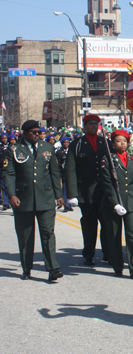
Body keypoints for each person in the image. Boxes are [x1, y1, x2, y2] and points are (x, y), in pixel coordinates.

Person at [2, 120, 64, 281]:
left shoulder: (47, 148)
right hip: (23, 199)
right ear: (24, 133)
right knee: (25, 236)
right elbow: (9, 174)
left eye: (39, 131)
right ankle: (26, 268)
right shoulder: (14, 150)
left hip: (45, 198)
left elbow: (55, 173)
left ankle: (53, 268)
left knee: (48, 233)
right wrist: (12, 195)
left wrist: (59, 195)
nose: (38, 135)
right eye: (34, 132)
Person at [65, 114, 110, 266]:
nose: (93, 126)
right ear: (84, 126)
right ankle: (88, 254)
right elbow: (70, 170)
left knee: (107, 224)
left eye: (95, 124)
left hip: (104, 192)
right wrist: (72, 194)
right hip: (86, 193)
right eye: (90, 124)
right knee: (89, 225)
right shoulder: (76, 144)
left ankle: (108, 253)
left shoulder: (105, 142)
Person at [100, 130, 133, 279]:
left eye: (124, 141)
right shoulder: (107, 159)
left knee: (132, 235)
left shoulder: (132, 158)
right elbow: (107, 184)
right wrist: (115, 203)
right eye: (118, 141)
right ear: (112, 143)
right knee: (114, 235)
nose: (122, 143)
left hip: (131, 200)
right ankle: (117, 266)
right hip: (113, 202)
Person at [55, 137, 72, 212]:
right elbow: (58, 163)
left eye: (67, 142)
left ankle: (70, 205)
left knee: (70, 189)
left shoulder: (71, 151)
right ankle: (66, 206)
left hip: (70, 172)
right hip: (63, 173)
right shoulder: (59, 152)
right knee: (64, 189)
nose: (66, 144)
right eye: (64, 142)